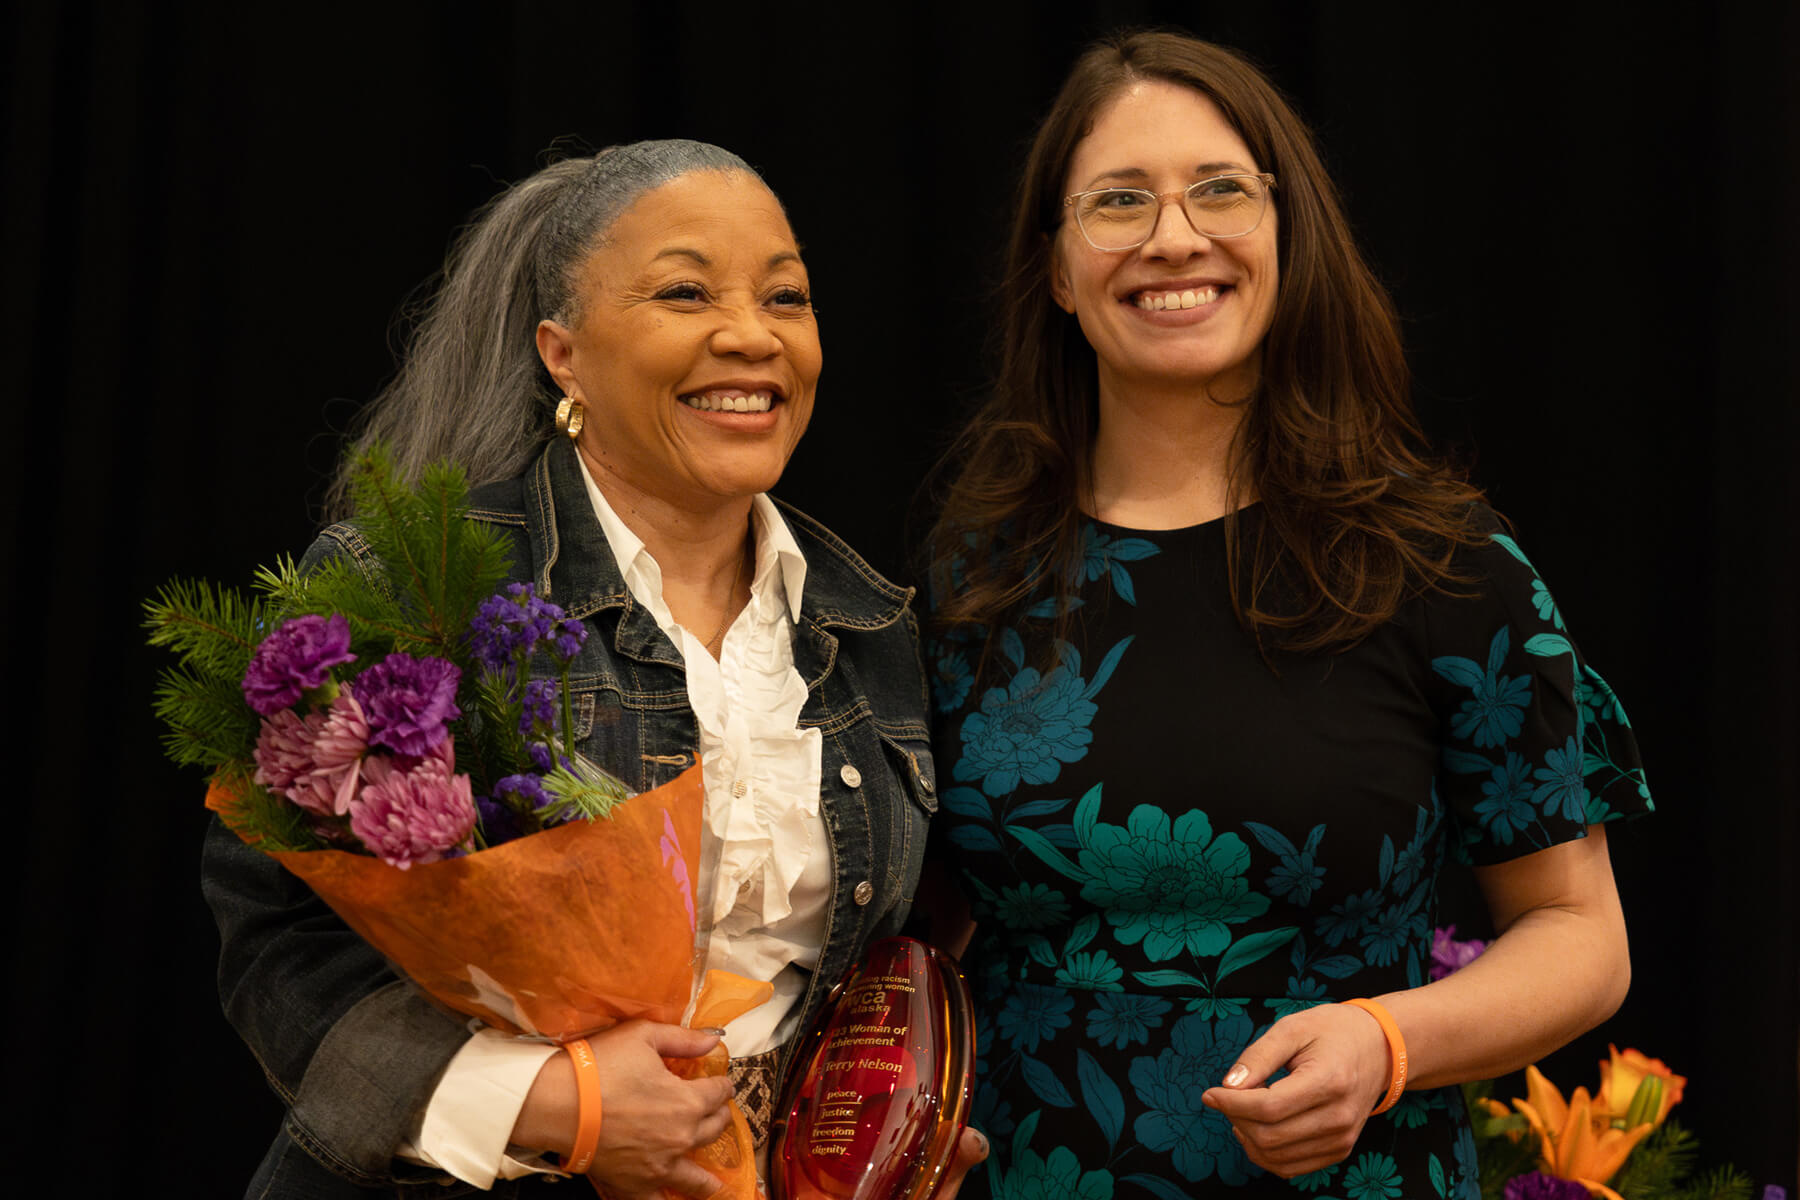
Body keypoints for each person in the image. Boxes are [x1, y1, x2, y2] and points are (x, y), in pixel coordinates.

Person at [923, 33, 1650, 1199]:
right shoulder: (977, 575)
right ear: (1056, 269)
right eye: (1118, 201)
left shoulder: (1442, 562)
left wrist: (1388, 1042)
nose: (1174, 236)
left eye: (1219, 189)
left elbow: (1582, 936)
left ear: (1286, 231)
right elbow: (923, 939)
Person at [204, 139, 981, 1197]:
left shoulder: (874, 625)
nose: (751, 336)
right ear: (563, 354)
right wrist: (551, 1104)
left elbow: (874, 967)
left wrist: (888, 1135)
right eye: (684, 291)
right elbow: (278, 940)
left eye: (786, 296)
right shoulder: (413, 585)